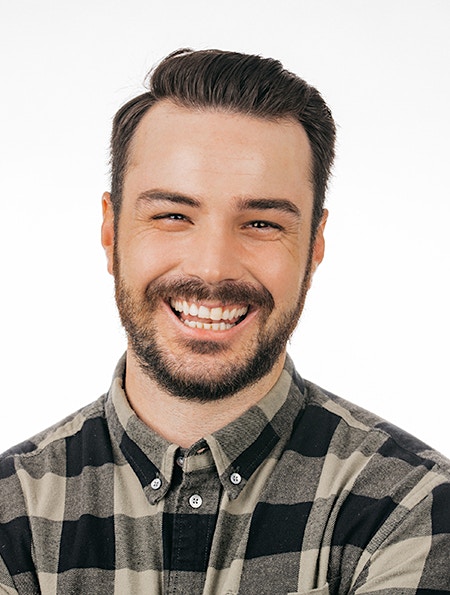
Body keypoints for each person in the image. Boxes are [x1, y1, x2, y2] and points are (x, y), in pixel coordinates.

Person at [0, 48, 449, 595]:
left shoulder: (413, 507)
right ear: (111, 232)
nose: (213, 268)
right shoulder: (8, 512)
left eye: (261, 223)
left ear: (315, 246)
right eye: (172, 215)